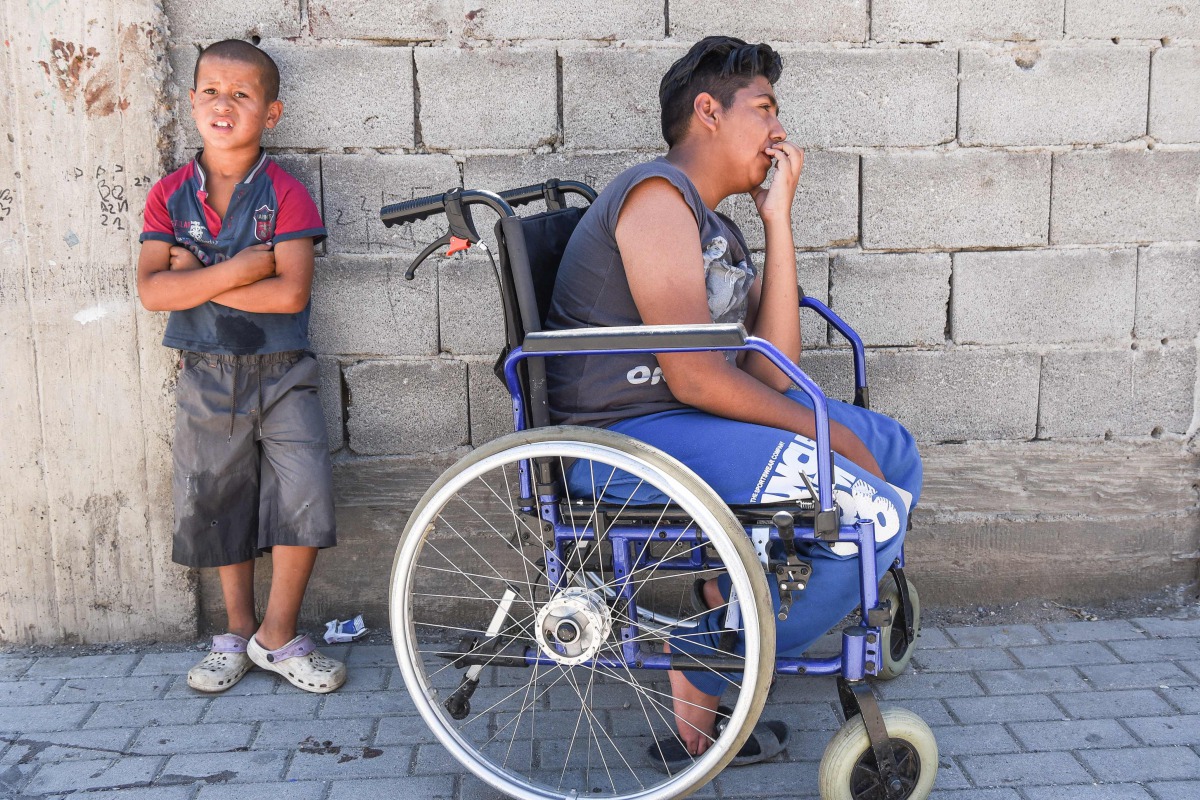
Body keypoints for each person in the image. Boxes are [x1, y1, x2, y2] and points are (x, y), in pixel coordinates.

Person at [545, 37, 922, 768]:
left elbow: (771, 370)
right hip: (627, 439)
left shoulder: (715, 226)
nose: (779, 131)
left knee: (894, 451)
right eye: (766, 109)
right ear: (708, 111)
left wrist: (777, 221)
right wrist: (825, 437)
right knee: (869, 513)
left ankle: (733, 605)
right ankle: (706, 660)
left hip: (684, 425)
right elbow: (694, 378)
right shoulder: (655, 198)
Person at [137, 39, 345, 694]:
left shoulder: (285, 193)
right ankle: (233, 632)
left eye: (242, 94)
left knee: (305, 492)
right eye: (210, 91)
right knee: (218, 498)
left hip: (285, 370)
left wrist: (199, 279)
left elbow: (290, 294)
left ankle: (276, 635)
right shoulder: (170, 195)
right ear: (191, 100)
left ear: (271, 112)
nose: (222, 105)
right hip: (207, 372)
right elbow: (151, 292)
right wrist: (245, 266)